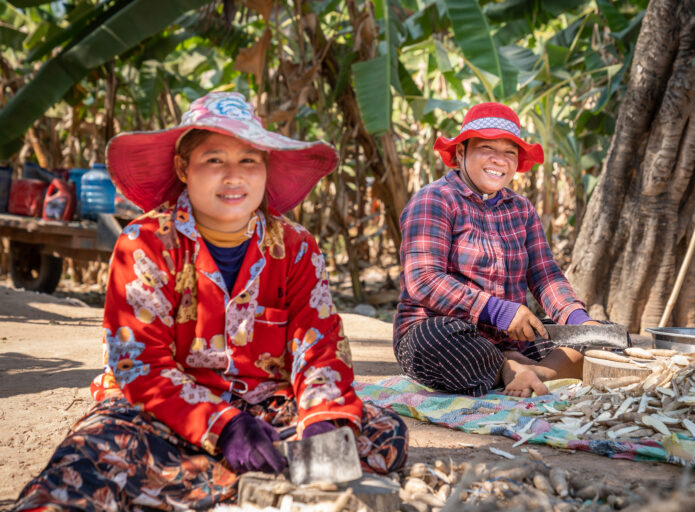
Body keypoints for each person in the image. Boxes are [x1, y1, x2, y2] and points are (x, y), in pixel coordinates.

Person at [12, 92, 407, 511]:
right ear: (184, 167)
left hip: (267, 410)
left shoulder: (296, 247)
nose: (234, 177)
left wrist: (322, 420)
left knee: (383, 431)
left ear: (266, 169)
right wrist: (223, 426)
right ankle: (268, 480)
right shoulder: (144, 244)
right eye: (215, 160)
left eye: (249, 160)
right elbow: (142, 367)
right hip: (167, 413)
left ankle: (226, 480)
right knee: (94, 452)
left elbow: (319, 348)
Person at [394, 102, 600, 399]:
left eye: (509, 153)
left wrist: (579, 321)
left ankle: (533, 372)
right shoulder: (435, 199)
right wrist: (499, 311)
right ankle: (510, 367)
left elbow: (545, 276)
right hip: (449, 336)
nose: (499, 161)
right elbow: (424, 280)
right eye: (487, 148)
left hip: (513, 339)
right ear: (461, 153)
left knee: (606, 337)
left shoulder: (522, 208)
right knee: (432, 340)